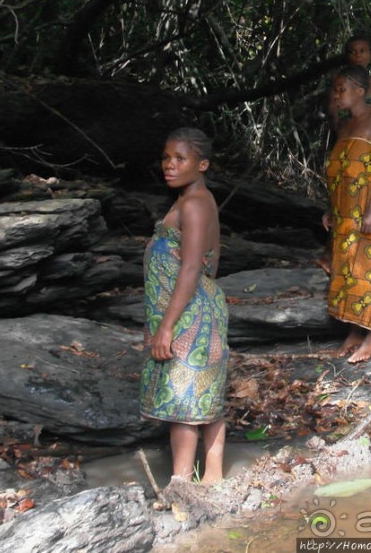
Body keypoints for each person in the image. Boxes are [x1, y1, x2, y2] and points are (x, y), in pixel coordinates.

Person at [139, 127, 229, 483]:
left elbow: (192, 266)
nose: (170, 165)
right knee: (203, 394)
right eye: (166, 157)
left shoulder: (193, 204)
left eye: (181, 158)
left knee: (183, 400)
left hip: (188, 314)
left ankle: (180, 484)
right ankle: (214, 477)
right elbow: (213, 259)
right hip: (199, 308)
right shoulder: (198, 201)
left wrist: (167, 325)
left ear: (202, 164)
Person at [323, 65, 371, 363]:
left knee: (370, 271)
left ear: (360, 92)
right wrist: (330, 208)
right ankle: (354, 330)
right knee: (348, 271)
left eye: (342, 89)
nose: (337, 95)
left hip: (368, 210)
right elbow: (341, 171)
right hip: (343, 213)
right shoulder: (344, 127)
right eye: (336, 89)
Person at [344, 34, 371, 105]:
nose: (358, 55)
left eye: (362, 51)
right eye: (353, 52)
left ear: (370, 54)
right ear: (347, 56)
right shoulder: (343, 80)